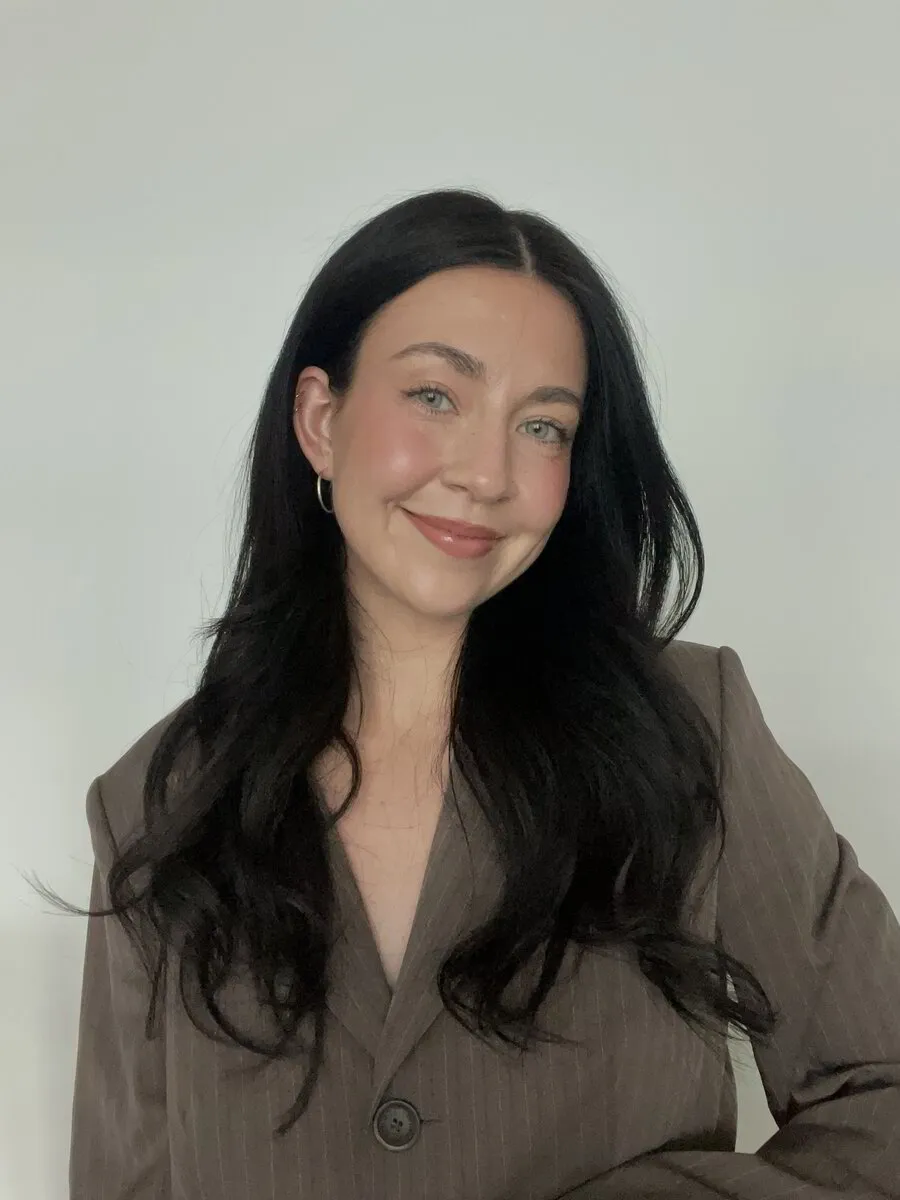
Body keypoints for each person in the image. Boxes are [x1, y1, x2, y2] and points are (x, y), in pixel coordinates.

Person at [47, 188, 899, 1198]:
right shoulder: (160, 798)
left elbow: (879, 1085)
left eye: (542, 426)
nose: (488, 473)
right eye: (436, 398)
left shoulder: (687, 725)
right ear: (321, 421)